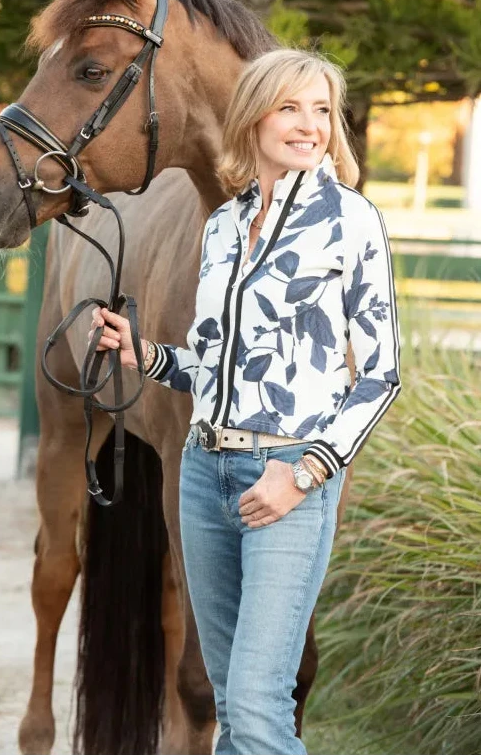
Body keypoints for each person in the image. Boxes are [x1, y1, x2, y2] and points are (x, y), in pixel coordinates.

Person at [88, 48, 401, 756]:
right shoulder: (225, 226)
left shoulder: (350, 221)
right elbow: (215, 365)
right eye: (290, 107)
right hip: (203, 474)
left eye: (321, 109)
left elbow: (380, 374)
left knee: (260, 712)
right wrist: (146, 353)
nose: (310, 125)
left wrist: (305, 473)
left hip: (288, 479)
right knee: (232, 701)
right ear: (252, 115)